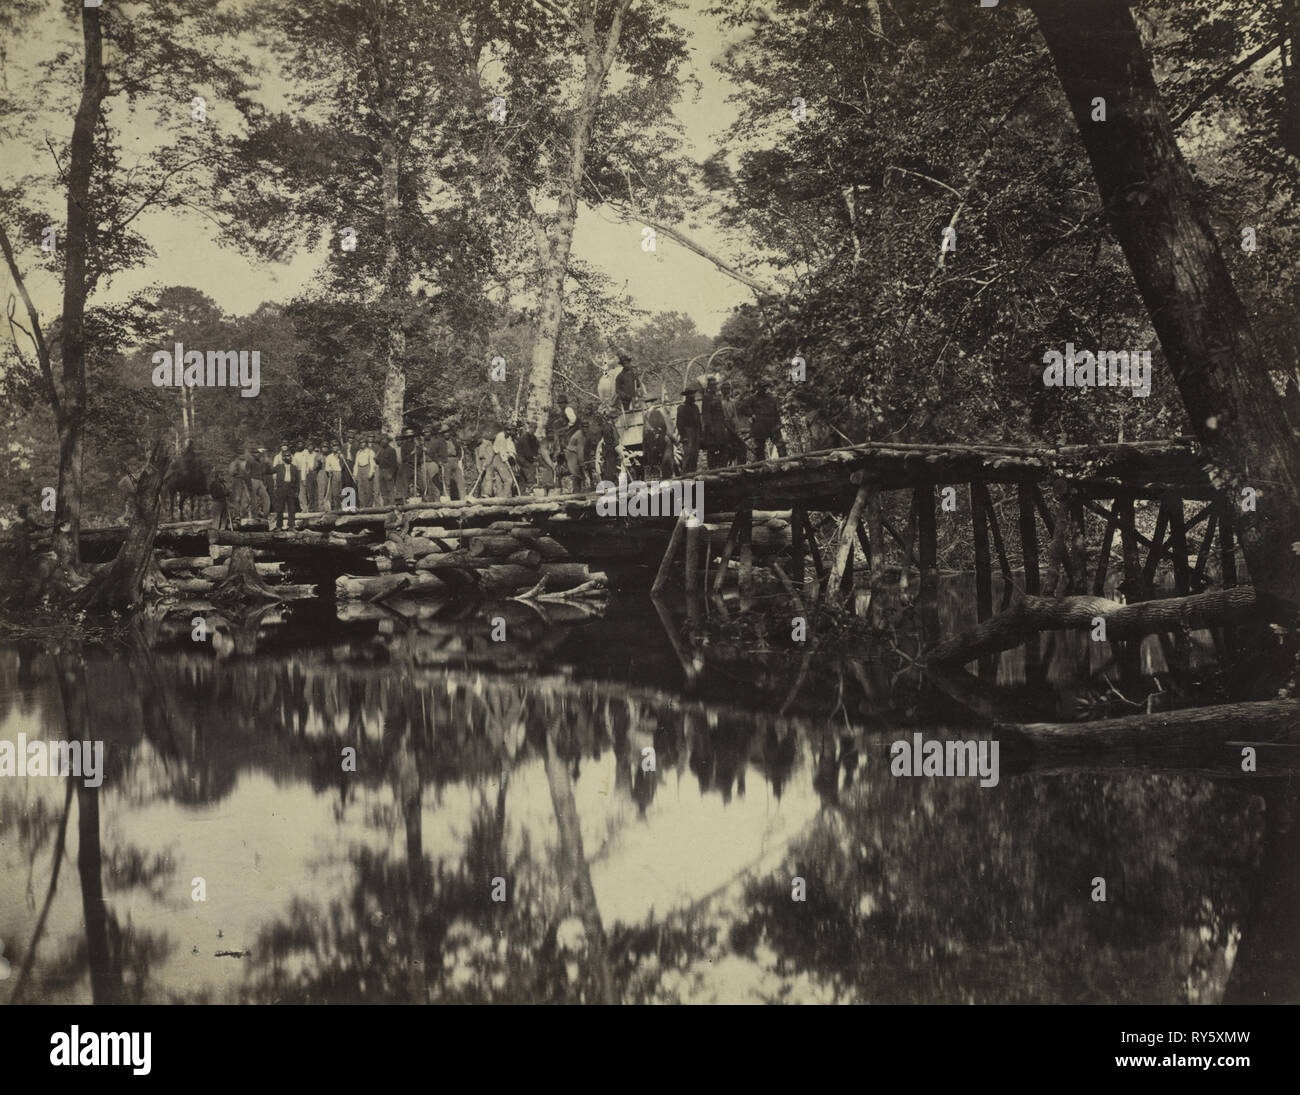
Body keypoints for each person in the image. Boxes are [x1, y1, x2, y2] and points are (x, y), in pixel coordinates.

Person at [746, 380, 786, 460]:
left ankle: (785, 461)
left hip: (772, 423)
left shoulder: (771, 398)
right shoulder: (752, 399)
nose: (764, 389)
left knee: (780, 444)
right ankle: (761, 465)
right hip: (759, 423)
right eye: (762, 387)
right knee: (759, 447)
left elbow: (776, 411)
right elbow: (744, 408)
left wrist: (779, 424)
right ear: (758, 388)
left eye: (765, 387)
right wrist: (751, 414)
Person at [271, 444, 301, 531]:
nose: (289, 457)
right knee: (280, 508)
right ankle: (279, 526)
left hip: (291, 489)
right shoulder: (279, 467)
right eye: (286, 456)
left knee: (292, 508)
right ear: (283, 458)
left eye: (290, 456)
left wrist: (297, 491)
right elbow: (269, 471)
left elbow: (298, 481)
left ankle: (291, 526)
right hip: (281, 488)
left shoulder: (294, 468)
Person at [701, 376, 728, 469]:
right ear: (709, 386)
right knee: (712, 449)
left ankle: (722, 467)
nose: (714, 387)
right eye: (712, 385)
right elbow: (706, 414)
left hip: (720, 426)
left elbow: (721, 412)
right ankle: (712, 469)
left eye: (715, 385)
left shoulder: (717, 396)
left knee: (723, 447)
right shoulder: (706, 397)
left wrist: (724, 424)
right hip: (712, 428)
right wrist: (710, 427)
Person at [677, 385, 701, 474]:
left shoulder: (696, 407)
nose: (693, 397)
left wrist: (700, 434)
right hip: (688, 432)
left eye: (693, 394)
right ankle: (685, 474)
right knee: (688, 454)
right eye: (690, 395)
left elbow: (699, 421)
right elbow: (679, 424)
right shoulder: (682, 408)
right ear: (686, 396)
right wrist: (683, 436)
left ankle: (693, 473)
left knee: (695, 454)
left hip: (696, 431)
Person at [721, 380, 746, 466]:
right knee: (726, 447)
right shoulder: (720, 402)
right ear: (722, 390)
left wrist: (737, 428)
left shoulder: (732, 402)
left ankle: (741, 466)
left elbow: (735, 416)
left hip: (732, 426)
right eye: (725, 389)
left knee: (741, 445)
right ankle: (724, 466)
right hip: (723, 427)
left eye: (728, 389)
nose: (727, 391)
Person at [352, 435, 377, 507]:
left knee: (368, 489)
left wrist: (371, 473)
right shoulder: (358, 452)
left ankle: (369, 506)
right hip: (360, 470)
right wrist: (355, 474)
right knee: (360, 489)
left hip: (367, 468)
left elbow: (372, 463)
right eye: (360, 443)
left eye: (363, 443)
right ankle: (362, 506)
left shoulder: (370, 452)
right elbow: (356, 464)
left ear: (366, 443)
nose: (362, 444)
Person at [564, 415, 586, 491]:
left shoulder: (582, 434)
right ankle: (576, 491)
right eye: (584, 427)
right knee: (575, 473)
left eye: (587, 427)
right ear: (581, 427)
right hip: (571, 453)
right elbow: (580, 450)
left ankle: (579, 489)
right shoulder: (579, 435)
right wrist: (582, 463)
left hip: (574, 452)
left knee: (578, 473)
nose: (586, 429)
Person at [515, 423, 540, 492]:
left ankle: (521, 491)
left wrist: (536, 456)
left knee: (523, 476)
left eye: (535, 429)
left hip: (527, 458)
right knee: (531, 468)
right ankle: (530, 488)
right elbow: (527, 452)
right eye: (532, 428)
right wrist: (534, 460)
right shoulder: (524, 438)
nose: (533, 430)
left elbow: (536, 447)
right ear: (529, 428)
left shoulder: (534, 438)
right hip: (521, 457)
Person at [375, 434, 398, 507]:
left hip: (388, 471)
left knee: (390, 490)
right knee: (383, 490)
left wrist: (391, 474)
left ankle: (391, 506)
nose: (383, 442)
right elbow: (378, 462)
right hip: (381, 471)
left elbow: (394, 464)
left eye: (384, 440)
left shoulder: (391, 450)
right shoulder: (381, 450)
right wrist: (376, 459)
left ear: (387, 441)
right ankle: (385, 506)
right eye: (382, 440)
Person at [253, 447, 273, 520]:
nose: (257, 454)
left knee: (266, 498)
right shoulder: (251, 461)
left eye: (258, 453)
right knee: (254, 499)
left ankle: (265, 515)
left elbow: (269, 467)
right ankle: (255, 515)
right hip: (253, 481)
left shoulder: (262, 461)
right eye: (256, 453)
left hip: (261, 481)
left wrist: (265, 455)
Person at [322, 445, 343, 510]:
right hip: (334, 473)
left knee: (341, 491)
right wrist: (329, 471)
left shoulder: (341, 456)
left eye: (336, 446)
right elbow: (327, 466)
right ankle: (336, 507)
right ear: (332, 448)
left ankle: (341, 506)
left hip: (341, 473)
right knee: (335, 492)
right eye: (333, 447)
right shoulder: (329, 456)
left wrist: (340, 457)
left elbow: (344, 464)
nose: (335, 448)